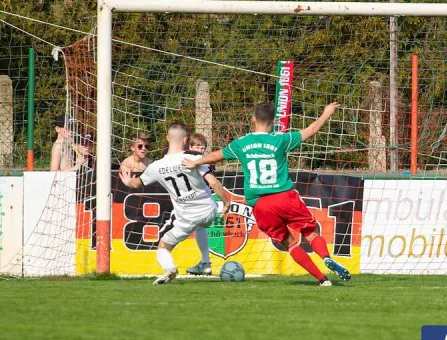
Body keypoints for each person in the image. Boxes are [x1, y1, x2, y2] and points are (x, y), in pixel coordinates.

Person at [183, 102, 350, 286]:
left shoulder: (241, 143)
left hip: (260, 205)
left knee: (290, 243)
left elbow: (216, 156)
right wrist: (326, 113)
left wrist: (196, 163)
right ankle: (325, 257)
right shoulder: (280, 140)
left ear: (253, 119)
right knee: (311, 231)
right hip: (284, 197)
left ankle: (322, 279)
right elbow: (310, 130)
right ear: (273, 121)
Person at [120, 122, 230, 284]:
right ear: (186, 140)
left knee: (163, 247)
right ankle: (205, 263)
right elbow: (213, 183)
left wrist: (128, 181)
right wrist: (226, 203)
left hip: (186, 218)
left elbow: (136, 184)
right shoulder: (194, 158)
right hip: (208, 210)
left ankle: (169, 267)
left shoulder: (156, 167)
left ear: (167, 138)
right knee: (201, 225)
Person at [184, 133, 215, 276]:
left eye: (203, 148)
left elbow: (213, 182)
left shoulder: (201, 163)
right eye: (197, 147)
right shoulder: (187, 159)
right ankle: (205, 263)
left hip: (196, 203)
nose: (200, 151)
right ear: (189, 147)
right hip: (188, 202)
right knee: (198, 228)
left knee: (197, 228)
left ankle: (205, 263)